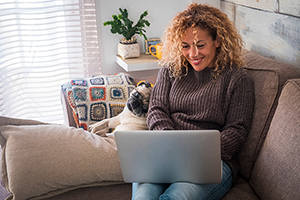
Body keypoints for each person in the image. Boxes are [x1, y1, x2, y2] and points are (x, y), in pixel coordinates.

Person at [132, 3, 255, 200]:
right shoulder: (171, 69)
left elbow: (237, 130)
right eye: (185, 46)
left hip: (212, 162)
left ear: (217, 40)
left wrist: (196, 154)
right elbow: (156, 109)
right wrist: (170, 143)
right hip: (166, 153)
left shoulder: (237, 80)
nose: (193, 54)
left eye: (200, 45)